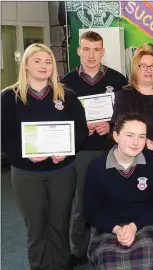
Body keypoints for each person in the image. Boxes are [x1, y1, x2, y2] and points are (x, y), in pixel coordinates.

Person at [1, 43, 89, 270]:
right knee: (36, 227)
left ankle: (61, 265)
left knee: (60, 224)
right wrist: (25, 154)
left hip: (62, 172)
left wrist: (68, 150)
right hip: (27, 174)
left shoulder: (66, 96)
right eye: (37, 61)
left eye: (48, 62)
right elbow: (3, 135)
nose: (43, 66)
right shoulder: (9, 97)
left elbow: (80, 130)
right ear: (26, 65)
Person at [60, 31, 128, 267]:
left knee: (114, 197)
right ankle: (78, 249)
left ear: (103, 51)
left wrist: (109, 126)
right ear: (78, 50)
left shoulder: (119, 80)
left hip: (112, 150)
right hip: (82, 151)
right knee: (82, 201)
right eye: (86, 49)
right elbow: (60, 119)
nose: (91, 55)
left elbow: (126, 116)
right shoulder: (65, 82)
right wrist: (81, 128)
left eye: (96, 49)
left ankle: (114, 242)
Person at [83, 113, 153, 269]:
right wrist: (117, 229)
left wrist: (134, 226)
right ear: (116, 135)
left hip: (146, 224)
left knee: (145, 260)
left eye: (141, 137)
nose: (136, 142)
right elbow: (91, 211)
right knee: (110, 261)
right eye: (130, 135)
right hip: (109, 227)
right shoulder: (97, 166)